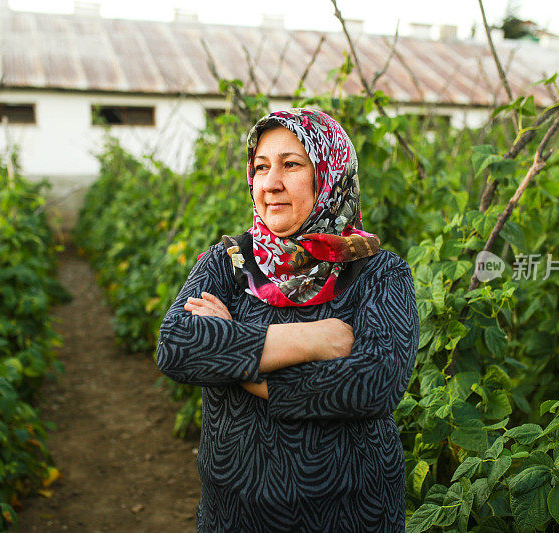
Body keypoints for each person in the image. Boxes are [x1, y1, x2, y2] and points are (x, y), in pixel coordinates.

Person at [156, 107, 419, 532]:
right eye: (261, 168)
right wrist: (315, 340)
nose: (271, 183)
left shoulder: (378, 272)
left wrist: (240, 367)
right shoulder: (228, 263)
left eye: (291, 164)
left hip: (350, 512)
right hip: (234, 512)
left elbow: (374, 383)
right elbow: (177, 347)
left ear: (329, 175)